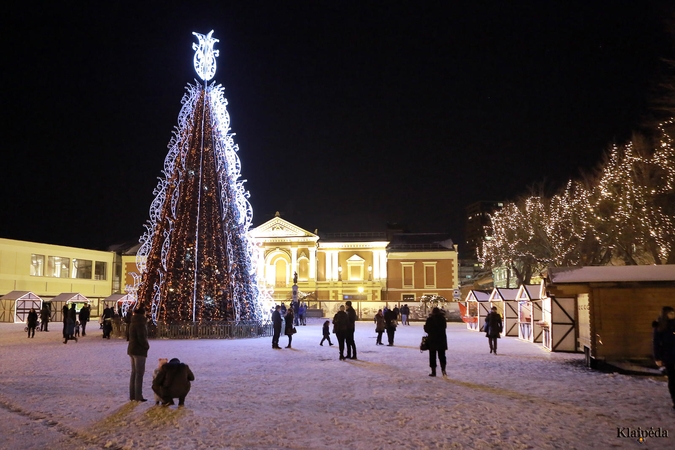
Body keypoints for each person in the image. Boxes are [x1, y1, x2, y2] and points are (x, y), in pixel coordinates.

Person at [653, 306, 675, 410]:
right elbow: (656, 343)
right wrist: (658, 358)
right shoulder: (660, 326)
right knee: (672, 379)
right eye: (670, 313)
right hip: (669, 356)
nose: (672, 314)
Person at [127, 306, 150, 402]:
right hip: (139, 350)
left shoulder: (133, 321)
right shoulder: (140, 323)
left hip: (132, 349)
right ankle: (138, 396)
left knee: (134, 373)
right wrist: (146, 346)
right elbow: (141, 337)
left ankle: (132, 395)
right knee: (139, 374)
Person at [424, 307, 448, 377]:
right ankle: (443, 370)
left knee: (432, 356)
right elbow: (444, 327)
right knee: (442, 356)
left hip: (432, 340)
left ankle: (433, 371)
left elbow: (427, 329)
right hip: (441, 340)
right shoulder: (442, 319)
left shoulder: (430, 319)